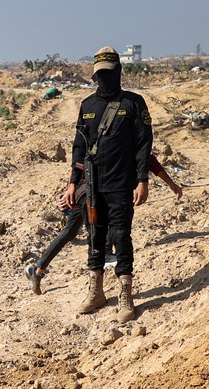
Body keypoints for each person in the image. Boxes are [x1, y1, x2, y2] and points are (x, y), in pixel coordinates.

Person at [62, 47, 153, 322]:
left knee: (121, 236)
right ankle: (97, 291)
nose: (103, 79)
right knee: (95, 236)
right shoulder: (87, 106)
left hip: (121, 184)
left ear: (118, 73)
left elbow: (143, 146)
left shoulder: (134, 103)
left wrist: (142, 180)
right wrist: (71, 183)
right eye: (99, 74)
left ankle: (126, 294)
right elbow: (79, 148)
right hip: (92, 185)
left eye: (108, 74)